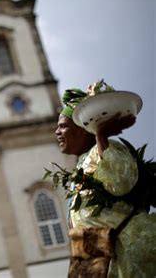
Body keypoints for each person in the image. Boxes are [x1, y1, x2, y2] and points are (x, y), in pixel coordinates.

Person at [55, 88, 156, 278]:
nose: (57, 132)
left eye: (63, 126)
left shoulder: (108, 149)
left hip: (129, 255)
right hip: (101, 264)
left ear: (84, 130)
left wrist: (100, 136)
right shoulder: (81, 166)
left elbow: (121, 183)